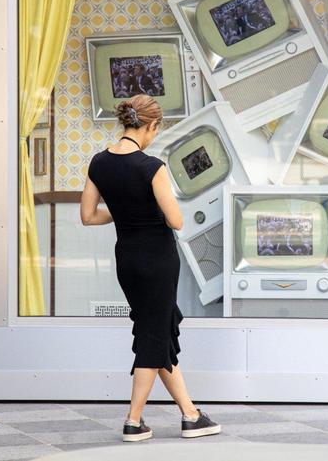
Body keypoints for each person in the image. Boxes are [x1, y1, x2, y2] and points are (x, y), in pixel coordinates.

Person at [80, 94, 222, 443]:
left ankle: (190, 414)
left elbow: (88, 216)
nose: (155, 136)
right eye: (157, 129)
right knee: (153, 334)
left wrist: (126, 211)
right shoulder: (152, 166)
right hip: (157, 260)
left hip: (127, 259)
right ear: (150, 125)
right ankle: (133, 420)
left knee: (158, 328)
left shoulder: (99, 162)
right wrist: (147, 208)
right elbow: (176, 220)